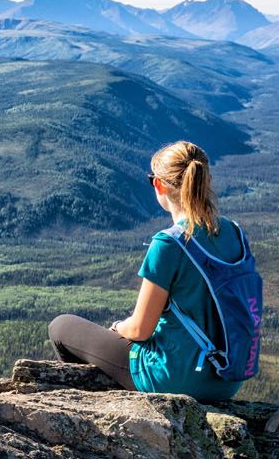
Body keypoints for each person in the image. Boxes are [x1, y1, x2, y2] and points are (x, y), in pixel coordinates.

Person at [48, 140, 248, 403]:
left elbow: (141, 329)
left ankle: (90, 407)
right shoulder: (235, 233)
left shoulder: (169, 243)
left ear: (159, 184)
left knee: (61, 326)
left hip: (176, 379)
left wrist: (118, 327)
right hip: (227, 377)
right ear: (207, 180)